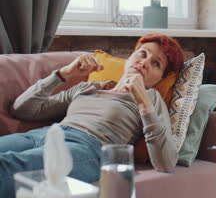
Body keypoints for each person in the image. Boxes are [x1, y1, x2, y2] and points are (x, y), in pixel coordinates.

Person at [0, 33, 184, 197]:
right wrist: (64, 74)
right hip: (45, 134)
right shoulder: (89, 87)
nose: (144, 63)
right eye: (142, 53)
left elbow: (166, 162)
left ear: (160, 78)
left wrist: (144, 103)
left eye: (156, 64)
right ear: (129, 57)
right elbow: (21, 109)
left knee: (7, 167)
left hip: (87, 147)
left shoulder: (151, 98)